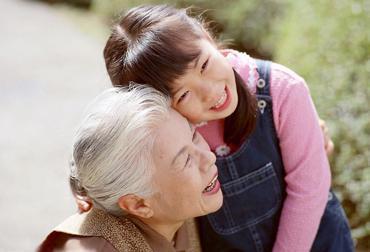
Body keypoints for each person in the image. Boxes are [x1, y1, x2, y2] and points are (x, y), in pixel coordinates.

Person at [95, 5, 355, 252]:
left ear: (207, 36)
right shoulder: (170, 130)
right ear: (161, 107)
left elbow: (309, 190)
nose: (209, 92)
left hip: (318, 242)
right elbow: (112, 144)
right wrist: (87, 187)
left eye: (204, 65)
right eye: (184, 95)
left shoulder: (283, 89)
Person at [39, 85, 223, 252]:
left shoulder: (178, 211)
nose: (209, 157)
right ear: (138, 204)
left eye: (193, 136)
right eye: (186, 160)